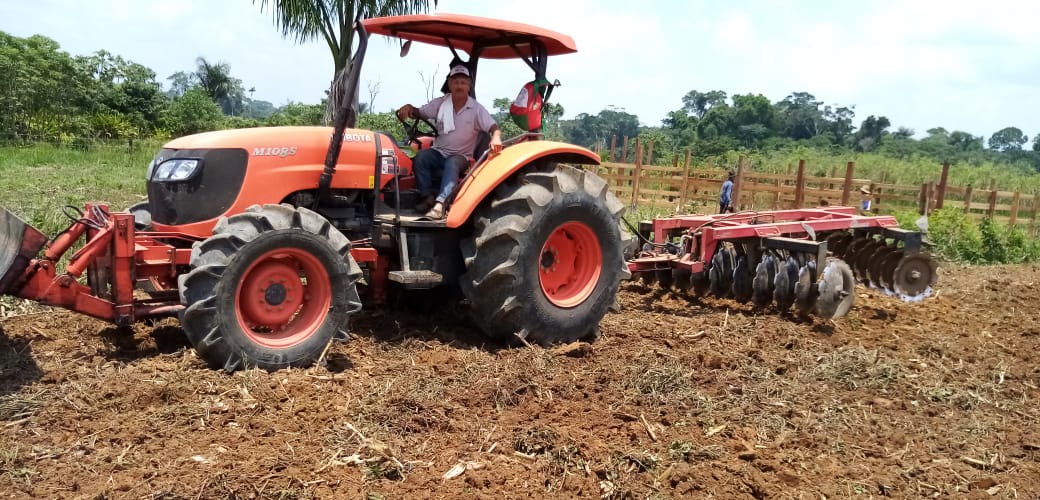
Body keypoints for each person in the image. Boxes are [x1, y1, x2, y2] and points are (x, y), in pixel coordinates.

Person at [397, 65, 502, 219]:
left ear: (469, 86)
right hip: (438, 152)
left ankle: (441, 203)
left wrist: (496, 137)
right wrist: (409, 108)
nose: (459, 86)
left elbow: (494, 127)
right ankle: (427, 197)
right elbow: (420, 112)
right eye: (456, 82)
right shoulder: (440, 103)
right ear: (450, 84)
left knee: (452, 163)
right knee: (421, 157)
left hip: (461, 156)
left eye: (463, 82)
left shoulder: (476, 109)